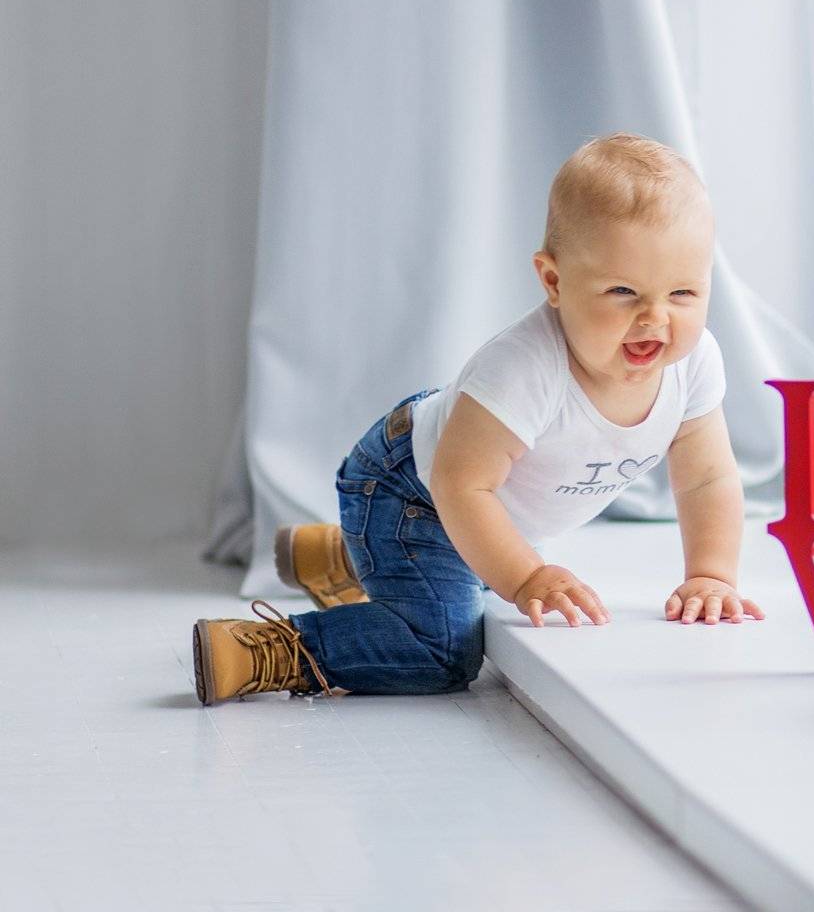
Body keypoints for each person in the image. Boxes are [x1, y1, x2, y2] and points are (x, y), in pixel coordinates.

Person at [192, 133, 764, 706]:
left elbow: (706, 478)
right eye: (623, 291)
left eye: (683, 292)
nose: (655, 317)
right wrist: (525, 578)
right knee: (445, 647)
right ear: (554, 281)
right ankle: (271, 648)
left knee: (478, 567)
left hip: (472, 487)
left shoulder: (693, 363)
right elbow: (460, 485)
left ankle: (347, 556)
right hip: (414, 488)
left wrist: (711, 574)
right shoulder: (524, 368)